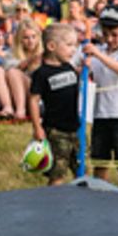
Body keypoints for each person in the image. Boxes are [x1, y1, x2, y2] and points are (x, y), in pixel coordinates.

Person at [85, 5, 118, 191]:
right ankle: (101, 195)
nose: (109, 39)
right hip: (100, 114)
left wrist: (98, 55)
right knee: (100, 161)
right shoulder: (99, 49)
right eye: (105, 33)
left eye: (114, 34)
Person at [29, 23, 82, 186]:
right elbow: (33, 100)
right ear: (51, 46)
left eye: (75, 45)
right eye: (69, 45)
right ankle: (52, 203)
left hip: (75, 128)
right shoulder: (41, 73)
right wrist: (37, 127)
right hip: (56, 130)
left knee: (81, 168)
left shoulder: (70, 67)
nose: (73, 50)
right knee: (58, 172)